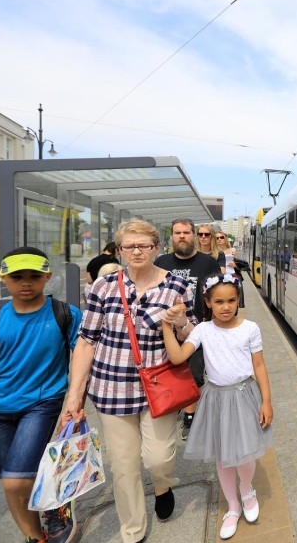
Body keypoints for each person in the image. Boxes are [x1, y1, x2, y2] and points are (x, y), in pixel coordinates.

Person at [62, 219, 196, 543]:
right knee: (123, 467)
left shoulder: (177, 287)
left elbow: (192, 336)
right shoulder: (103, 287)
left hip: (159, 386)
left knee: (158, 458)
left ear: (156, 248)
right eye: (129, 246)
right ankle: (132, 532)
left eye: (144, 245)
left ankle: (162, 483)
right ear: (120, 250)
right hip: (111, 388)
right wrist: (74, 396)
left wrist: (181, 325)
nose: (136, 251)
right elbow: (87, 340)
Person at [0, 246, 83, 543]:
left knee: (14, 480)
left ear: (47, 277)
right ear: (4, 278)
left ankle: (56, 504)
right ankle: (37, 537)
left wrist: (76, 399)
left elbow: (84, 356)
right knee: (15, 482)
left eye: (34, 276)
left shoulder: (65, 315)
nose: (26, 282)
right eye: (18, 276)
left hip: (42, 404)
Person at [161, 274, 273, 540]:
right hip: (216, 399)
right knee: (224, 457)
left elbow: (259, 366)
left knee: (245, 453)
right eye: (219, 301)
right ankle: (232, 506)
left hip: (246, 395)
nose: (226, 306)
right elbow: (177, 357)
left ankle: (247, 490)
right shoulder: (202, 330)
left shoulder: (251, 328)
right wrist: (167, 327)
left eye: (231, 300)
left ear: (238, 301)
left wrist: (267, 401)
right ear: (208, 302)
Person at [154, 219, 222, 441]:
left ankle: (190, 417)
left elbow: (216, 295)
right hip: (163, 329)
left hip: (198, 328)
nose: (182, 236)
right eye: (177, 233)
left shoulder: (207, 263)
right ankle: (173, 405)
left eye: (186, 232)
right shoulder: (161, 262)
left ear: (193, 235)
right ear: (172, 236)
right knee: (168, 372)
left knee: (194, 374)